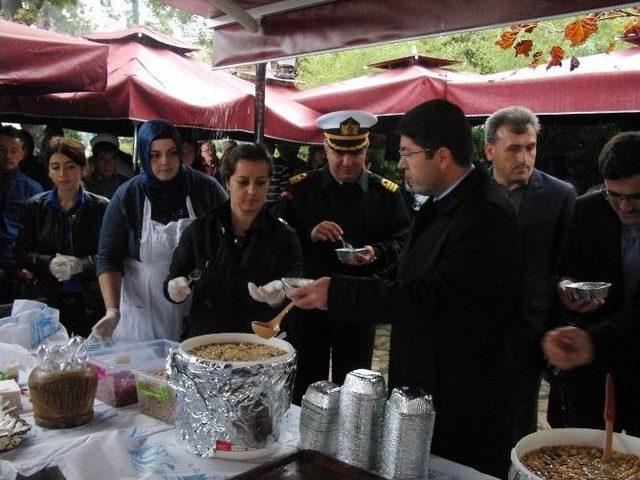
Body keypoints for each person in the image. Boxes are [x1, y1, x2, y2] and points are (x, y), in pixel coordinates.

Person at [279, 99, 518, 478]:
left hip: (462, 400)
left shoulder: (484, 213)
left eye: (407, 153)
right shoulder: (443, 203)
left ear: (440, 156)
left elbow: (430, 297)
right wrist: (336, 288)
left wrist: (338, 293)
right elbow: (403, 272)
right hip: (427, 386)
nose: (401, 163)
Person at [275, 110, 410, 403]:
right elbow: (278, 238)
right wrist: (309, 233)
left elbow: (404, 244)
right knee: (305, 387)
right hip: (308, 303)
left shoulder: (386, 195)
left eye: (355, 153)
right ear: (325, 148)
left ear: (366, 149)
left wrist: (376, 252)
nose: (347, 162)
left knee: (355, 387)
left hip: (359, 304)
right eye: (338, 152)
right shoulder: (301, 189)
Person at [484, 106, 576, 445]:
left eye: (531, 147)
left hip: (529, 330)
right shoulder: (471, 192)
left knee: (519, 423)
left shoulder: (559, 195)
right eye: (514, 148)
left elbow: (565, 265)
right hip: (476, 326)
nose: (524, 157)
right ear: (490, 150)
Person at [91, 119, 228, 343]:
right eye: (155, 155)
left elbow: (229, 239)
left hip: (196, 303)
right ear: (144, 155)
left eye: (172, 153)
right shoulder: (128, 196)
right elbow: (108, 257)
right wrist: (112, 311)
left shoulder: (206, 189)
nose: (165, 162)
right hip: (142, 310)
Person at [542, 131, 640, 435]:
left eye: (636, 197)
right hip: (593, 377)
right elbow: (563, 269)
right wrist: (565, 288)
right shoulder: (588, 209)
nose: (624, 207)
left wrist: (591, 341)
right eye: (614, 195)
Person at [163, 143, 303, 337]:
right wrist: (174, 288)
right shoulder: (200, 231)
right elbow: (175, 276)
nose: (252, 191)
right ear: (228, 181)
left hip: (260, 347)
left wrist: (278, 295)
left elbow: (294, 290)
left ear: (270, 183)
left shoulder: (285, 237)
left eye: (261, 182)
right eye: (243, 182)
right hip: (205, 344)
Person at [14, 138, 109, 337]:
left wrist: (81, 264)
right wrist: (48, 263)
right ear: (48, 170)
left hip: (91, 301)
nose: (62, 174)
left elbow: (111, 255)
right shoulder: (36, 206)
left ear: (83, 168)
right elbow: (21, 251)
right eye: (55, 167)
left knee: (91, 362)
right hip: (48, 300)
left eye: (70, 166)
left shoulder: (101, 207)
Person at [0, 126, 43, 303]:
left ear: (22, 154)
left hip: (17, 266)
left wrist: (31, 266)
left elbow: (39, 232)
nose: (8, 156)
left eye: (13, 151)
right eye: (2, 151)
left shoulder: (33, 189)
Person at [84, 133, 130, 199]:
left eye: (111, 159)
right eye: (102, 159)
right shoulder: (86, 183)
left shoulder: (126, 184)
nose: (107, 164)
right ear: (95, 160)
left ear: (116, 160)